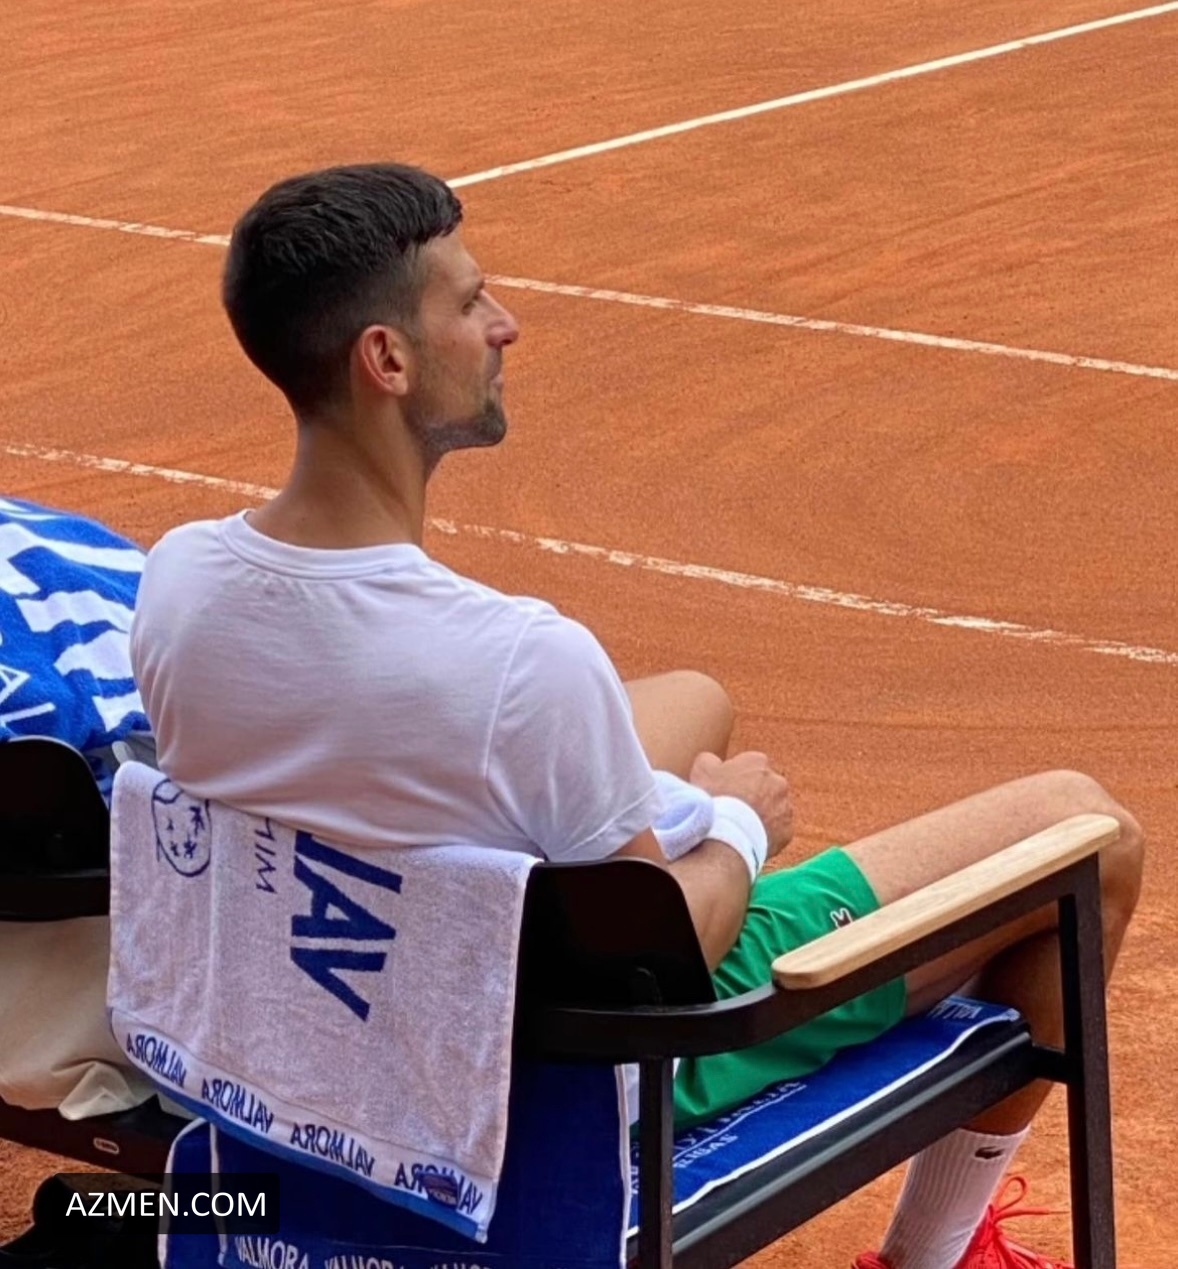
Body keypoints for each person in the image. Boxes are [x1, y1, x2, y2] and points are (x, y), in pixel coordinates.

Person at [129, 163, 1144, 1269]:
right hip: (540, 1066)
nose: (505, 324)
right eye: (469, 302)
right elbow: (668, 958)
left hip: (311, 1023)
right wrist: (736, 824)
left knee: (696, 698)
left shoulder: (182, 583)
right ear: (387, 359)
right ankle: (932, 1255)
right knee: (1087, 830)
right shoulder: (518, 660)